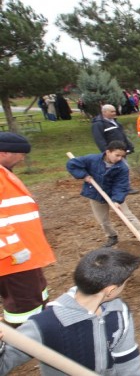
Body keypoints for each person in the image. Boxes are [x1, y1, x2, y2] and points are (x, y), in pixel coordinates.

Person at [0, 247, 140, 375]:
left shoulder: (119, 311)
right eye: (125, 283)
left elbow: (128, 362)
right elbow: (3, 365)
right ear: (111, 290)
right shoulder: (44, 325)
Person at [0, 133, 56, 326]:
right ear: (4, 152)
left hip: (24, 255)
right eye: (21, 153)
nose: (23, 158)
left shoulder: (4, 173)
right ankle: (22, 342)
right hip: (11, 257)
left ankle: (40, 323)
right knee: (22, 302)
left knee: (37, 291)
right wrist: (14, 248)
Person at [66, 141, 140, 248]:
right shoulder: (92, 159)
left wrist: (117, 200)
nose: (119, 158)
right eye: (117, 155)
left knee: (127, 215)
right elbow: (72, 164)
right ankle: (112, 236)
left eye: (122, 156)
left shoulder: (122, 167)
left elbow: (121, 185)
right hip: (96, 194)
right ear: (108, 152)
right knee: (102, 220)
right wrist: (83, 175)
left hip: (114, 194)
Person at [91, 104, 139, 194]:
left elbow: (122, 135)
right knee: (121, 168)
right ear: (104, 112)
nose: (114, 113)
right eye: (112, 111)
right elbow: (99, 140)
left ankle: (123, 187)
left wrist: (128, 146)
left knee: (123, 168)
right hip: (112, 152)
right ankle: (123, 188)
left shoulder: (114, 122)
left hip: (121, 150)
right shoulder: (98, 124)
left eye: (114, 111)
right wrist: (107, 153)